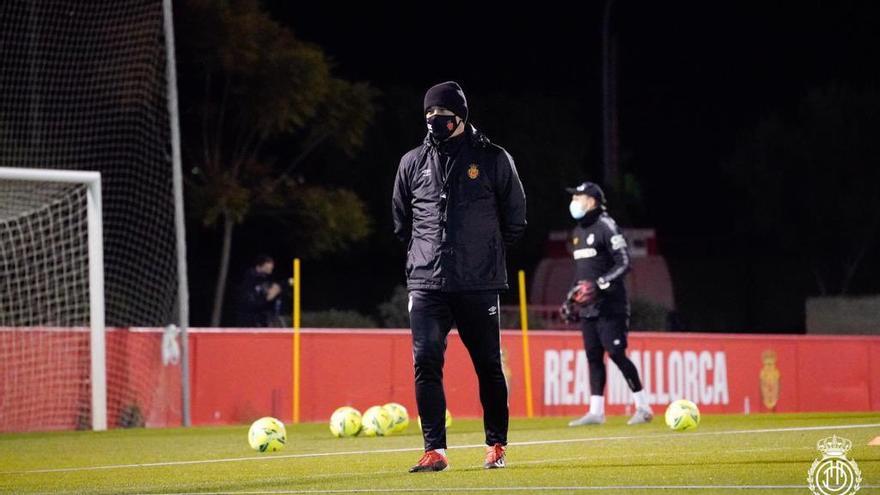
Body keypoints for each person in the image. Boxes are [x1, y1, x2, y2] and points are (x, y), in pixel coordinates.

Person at [392, 81, 527, 472]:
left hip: (478, 282)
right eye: (429, 114)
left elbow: (515, 217)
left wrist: (487, 255)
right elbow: (402, 221)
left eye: (442, 114)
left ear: (461, 116)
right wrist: (422, 256)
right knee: (426, 360)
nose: (434, 120)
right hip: (428, 282)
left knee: (487, 364)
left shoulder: (493, 157)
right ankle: (435, 449)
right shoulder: (411, 162)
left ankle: (496, 444)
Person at [560, 181, 653, 426]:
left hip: (611, 306)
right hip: (589, 309)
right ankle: (596, 411)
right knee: (593, 357)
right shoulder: (579, 231)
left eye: (578, 197)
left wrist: (600, 283)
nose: (574, 202)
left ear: (591, 201)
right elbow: (580, 273)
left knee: (616, 354)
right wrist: (570, 297)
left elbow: (624, 263)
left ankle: (643, 407)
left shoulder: (607, 225)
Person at [235, 254, 282, 327]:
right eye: (269, 265)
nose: (271, 267)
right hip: (249, 316)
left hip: (261, 315)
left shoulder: (265, 278)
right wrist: (268, 295)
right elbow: (251, 299)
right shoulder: (250, 276)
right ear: (261, 265)